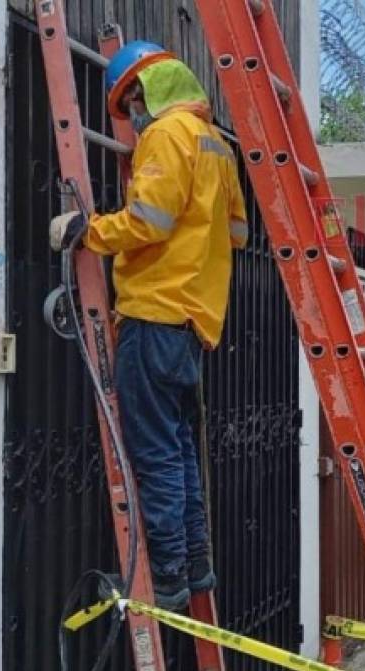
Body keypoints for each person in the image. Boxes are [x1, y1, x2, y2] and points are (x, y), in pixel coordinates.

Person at [48, 41, 248, 609]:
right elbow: (236, 235)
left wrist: (86, 232)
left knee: (157, 454)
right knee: (180, 449)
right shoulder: (218, 146)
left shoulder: (167, 136)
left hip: (154, 312)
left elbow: (150, 221)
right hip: (195, 320)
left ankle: (165, 579)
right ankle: (195, 565)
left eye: (131, 101)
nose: (132, 116)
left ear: (148, 90)